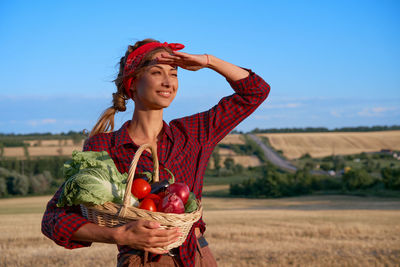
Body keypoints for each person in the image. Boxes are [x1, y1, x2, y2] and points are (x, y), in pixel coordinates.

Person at [41, 38, 270, 267]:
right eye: (157, 72)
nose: (168, 82)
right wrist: (119, 235)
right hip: (143, 261)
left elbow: (255, 91)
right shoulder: (104, 147)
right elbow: (54, 219)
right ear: (132, 83)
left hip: (198, 257)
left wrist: (208, 62)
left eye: (174, 73)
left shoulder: (192, 134)